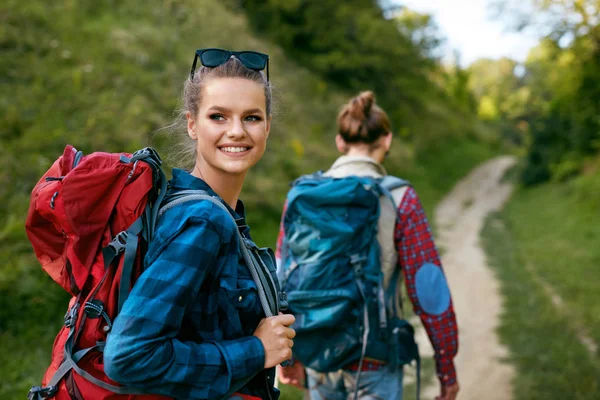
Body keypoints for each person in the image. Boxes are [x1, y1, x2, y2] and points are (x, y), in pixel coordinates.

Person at [104, 49, 295, 400]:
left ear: (268, 126)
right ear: (193, 124)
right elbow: (129, 357)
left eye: (251, 118)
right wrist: (255, 351)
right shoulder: (203, 220)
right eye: (218, 117)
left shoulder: (216, 210)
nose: (236, 131)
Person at [275, 91, 460, 400]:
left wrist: (289, 356)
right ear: (386, 140)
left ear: (339, 142)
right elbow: (428, 290)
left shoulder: (302, 196)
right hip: (375, 355)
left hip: (319, 353)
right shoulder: (401, 199)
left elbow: (281, 278)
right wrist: (446, 368)